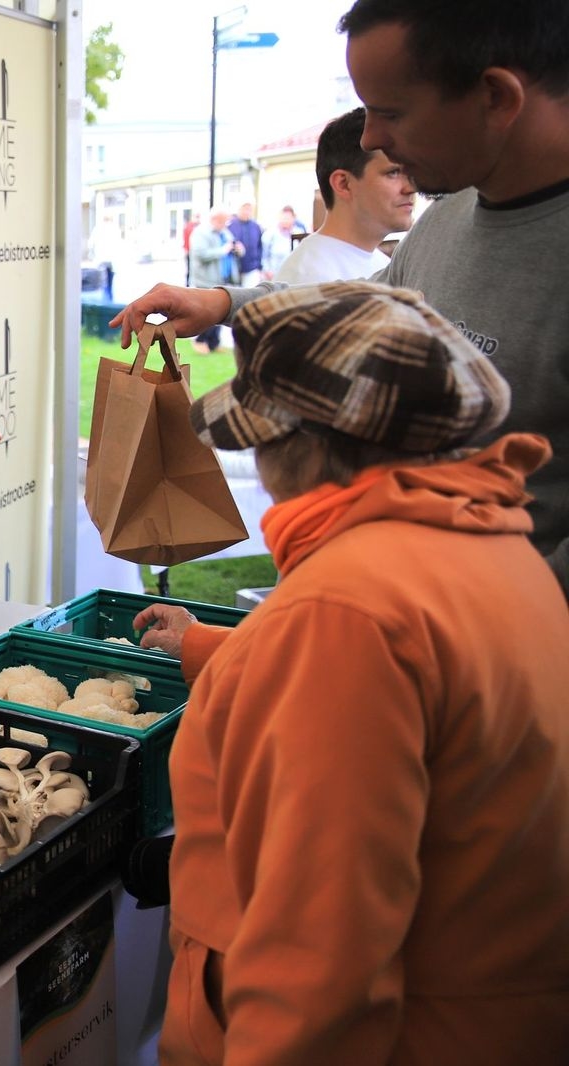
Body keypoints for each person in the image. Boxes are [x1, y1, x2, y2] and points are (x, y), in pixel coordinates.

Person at [145, 281, 569, 1063]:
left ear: (301, 444)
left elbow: (315, 969)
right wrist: (212, 650)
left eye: (259, 441)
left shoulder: (345, 614)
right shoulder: (496, 547)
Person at [111, 0, 569, 600]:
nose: (373, 137)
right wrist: (222, 303)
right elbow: (348, 314)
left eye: (390, 112)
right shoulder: (447, 219)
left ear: (497, 97)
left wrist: (492, 622)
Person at [274, 108, 416, 284]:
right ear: (343, 184)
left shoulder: (386, 267)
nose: (411, 188)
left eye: (410, 173)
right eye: (393, 173)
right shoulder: (308, 279)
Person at [187, 209, 234, 352]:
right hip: (206, 279)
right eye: (222, 221)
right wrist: (223, 250)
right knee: (207, 313)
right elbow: (201, 254)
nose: (225, 224)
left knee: (222, 312)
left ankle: (214, 343)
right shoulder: (200, 233)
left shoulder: (225, 232)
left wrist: (237, 249)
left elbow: (232, 245)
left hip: (223, 278)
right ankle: (200, 341)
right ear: (214, 219)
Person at [259, 205, 306, 279]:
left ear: (293, 219)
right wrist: (267, 270)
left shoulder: (299, 233)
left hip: (293, 275)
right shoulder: (270, 234)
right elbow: (264, 255)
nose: (285, 220)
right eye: (284, 217)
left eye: (288, 218)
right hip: (274, 275)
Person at [227, 202, 264, 286]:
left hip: (252, 269)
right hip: (234, 270)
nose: (246, 212)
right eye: (244, 209)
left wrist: (259, 267)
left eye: (249, 209)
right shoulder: (230, 225)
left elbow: (259, 247)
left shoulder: (256, 226)